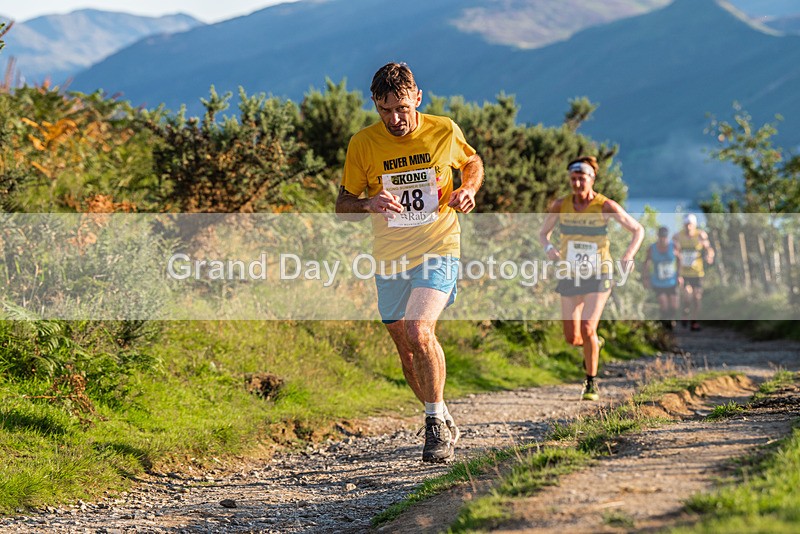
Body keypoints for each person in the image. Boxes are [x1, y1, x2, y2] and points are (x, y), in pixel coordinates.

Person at [335, 62, 484, 463]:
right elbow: (342, 204)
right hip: (390, 257)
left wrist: (468, 188)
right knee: (407, 352)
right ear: (375, 106)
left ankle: (433, 426)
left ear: (418, 98)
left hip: (439, 245)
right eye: (386, 110)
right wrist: (369, 203)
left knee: (420, 330)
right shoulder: (362, 144)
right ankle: (443, 413)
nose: (396, 119)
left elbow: (472, 162)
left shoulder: (443, 129)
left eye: (402, 107)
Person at [539, 156, 644, 401]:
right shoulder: (560, 205)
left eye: (581, 179)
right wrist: (549, 249)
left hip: (600, 274)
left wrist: (628, 254)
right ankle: (594, 342)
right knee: (572, 336)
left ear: (592, 179)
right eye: (573, 179)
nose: (576, 184)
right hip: (570, 273)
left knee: (587, 327)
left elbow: (637, 229)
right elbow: (544, 233)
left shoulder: (605, 205)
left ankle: (591, 382)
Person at [674, 213, 714, 331]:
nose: (688, 227)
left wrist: (709, 256)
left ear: (694, 225)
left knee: (697, 298)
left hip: (697, 273)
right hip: (684, 273)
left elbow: (709, 249)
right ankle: (685, 314)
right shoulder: (678, 236)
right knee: (687, 296)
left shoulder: (700, 235)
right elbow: (673, 250)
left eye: (690, 224)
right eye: (686, 224)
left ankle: (694, 321)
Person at [642, 226, 682, 329]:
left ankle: (670, 319)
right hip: (658, 281)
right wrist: (646, 278)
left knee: (674, 306)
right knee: (664, 304)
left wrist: (679, 275)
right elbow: (646, 263)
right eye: (661, 237)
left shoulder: (674, 246)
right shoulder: (652, 248)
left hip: (672, 281)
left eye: (664, 237)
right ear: (658, 236)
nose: (663, 239)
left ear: (667, 237)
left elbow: (679, 260)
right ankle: (665, 325)